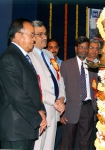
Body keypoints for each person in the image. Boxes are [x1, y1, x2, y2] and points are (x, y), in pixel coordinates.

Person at [0, 18, 47, 150]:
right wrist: (38, 118)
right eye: (31, 35)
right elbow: (18, 95)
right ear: (18, 35)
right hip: (15, 130)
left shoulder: (23, 57)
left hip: (25, 129)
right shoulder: (9, 58)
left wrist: (41, 110)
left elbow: (33, 89)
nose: (33, 39)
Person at [29, 20, 66, 150]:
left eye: (45, 33)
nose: (45, 37)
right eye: (40, 34)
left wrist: (61, 98)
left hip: (54, 110)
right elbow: (33, 86)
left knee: (49, 147)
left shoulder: (49, 54)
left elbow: (59, 79)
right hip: (41, 110)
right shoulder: (28, 55)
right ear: (32, 36)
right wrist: (53, 101)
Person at [60, 36, 97, 150]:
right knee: (67, 143)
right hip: (70, 109)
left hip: (88, 108)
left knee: (85, 143)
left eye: (86, 47)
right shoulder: (66, 65)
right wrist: (61, 113)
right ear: (76, 48)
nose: (83, 50)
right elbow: (60, 88)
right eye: (81, 47)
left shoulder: (93, 66)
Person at [46, 38, 63, 150]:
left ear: (58, 49)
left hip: (61, 106)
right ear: (47, 49)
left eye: (55, 47)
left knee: (57, 139)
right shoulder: (43, 62)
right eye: (51, 47)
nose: (53, 49)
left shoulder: (63, 64)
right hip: (47, 104)